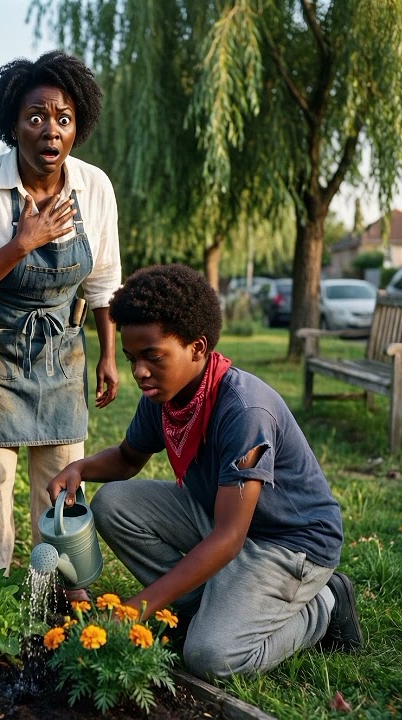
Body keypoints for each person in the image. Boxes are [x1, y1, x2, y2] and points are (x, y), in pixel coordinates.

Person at [46, 264, 362, 681]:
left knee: (212, 657)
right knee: (115, 503)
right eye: (132, 358)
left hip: (288, 542)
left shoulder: (245, 411)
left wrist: (139, 606)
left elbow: (229, 538)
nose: (139, 371)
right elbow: (127, 459)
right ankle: (206, 604)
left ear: (197, 347)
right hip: (225, 518)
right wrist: (81, 467)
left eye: (152, 356)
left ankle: (324, 605)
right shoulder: (165, 396)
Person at [0, 50, 121, 593]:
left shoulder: (95, 188)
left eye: (63, 118)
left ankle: (59, 593)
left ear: (77, 125)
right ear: (13, 122)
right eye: (36, 117)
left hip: (59, 346)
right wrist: (22, 244)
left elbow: (104, 280)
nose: (50, 131)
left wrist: (107, 354)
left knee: (62, 474)